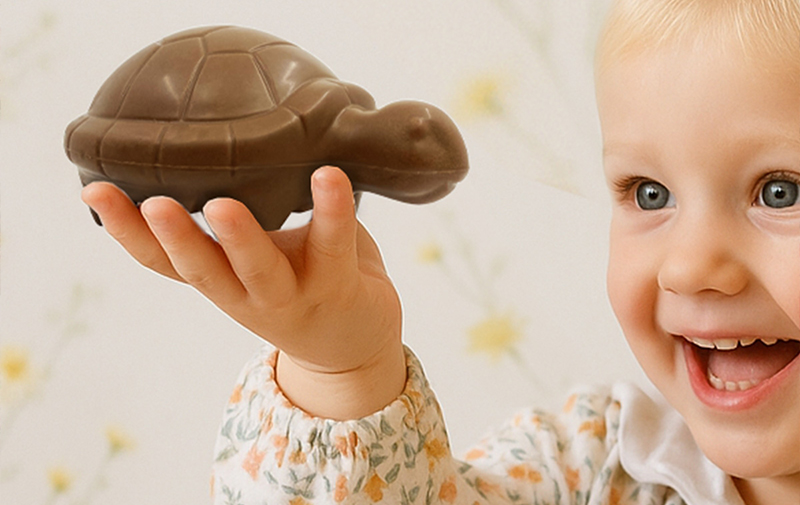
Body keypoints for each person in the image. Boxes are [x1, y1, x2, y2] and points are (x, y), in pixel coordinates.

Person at [79, 0, 800, 503]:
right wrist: (344, 366)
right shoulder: (592, 467)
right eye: (649, 193)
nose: (688, 266)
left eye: (780, 192)